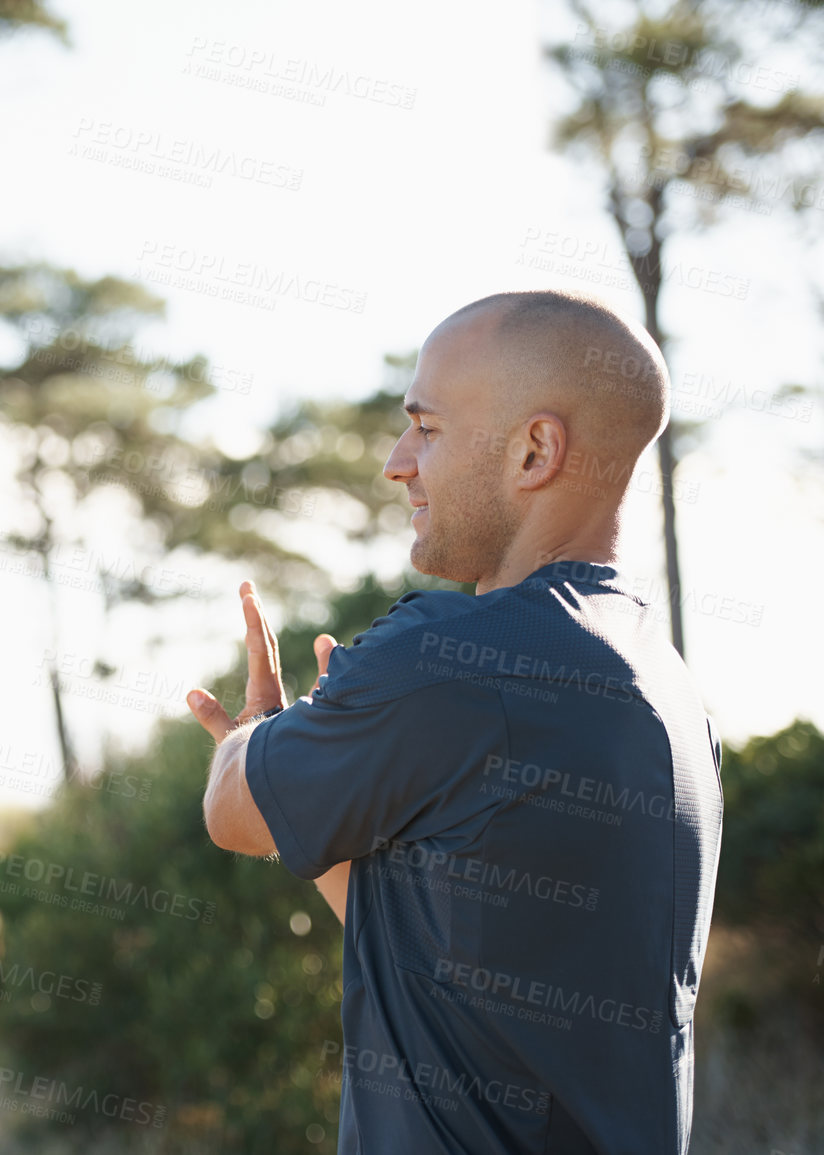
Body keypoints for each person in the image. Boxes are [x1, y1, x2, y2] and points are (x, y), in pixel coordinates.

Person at [188, 289, 723, 1153]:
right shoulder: (670, 693)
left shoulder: (450, 657)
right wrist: (340, 778)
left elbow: (229, 812)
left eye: (426, 428)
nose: (398, 462)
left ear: (534, 449)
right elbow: (427, 941)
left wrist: (252, 736)